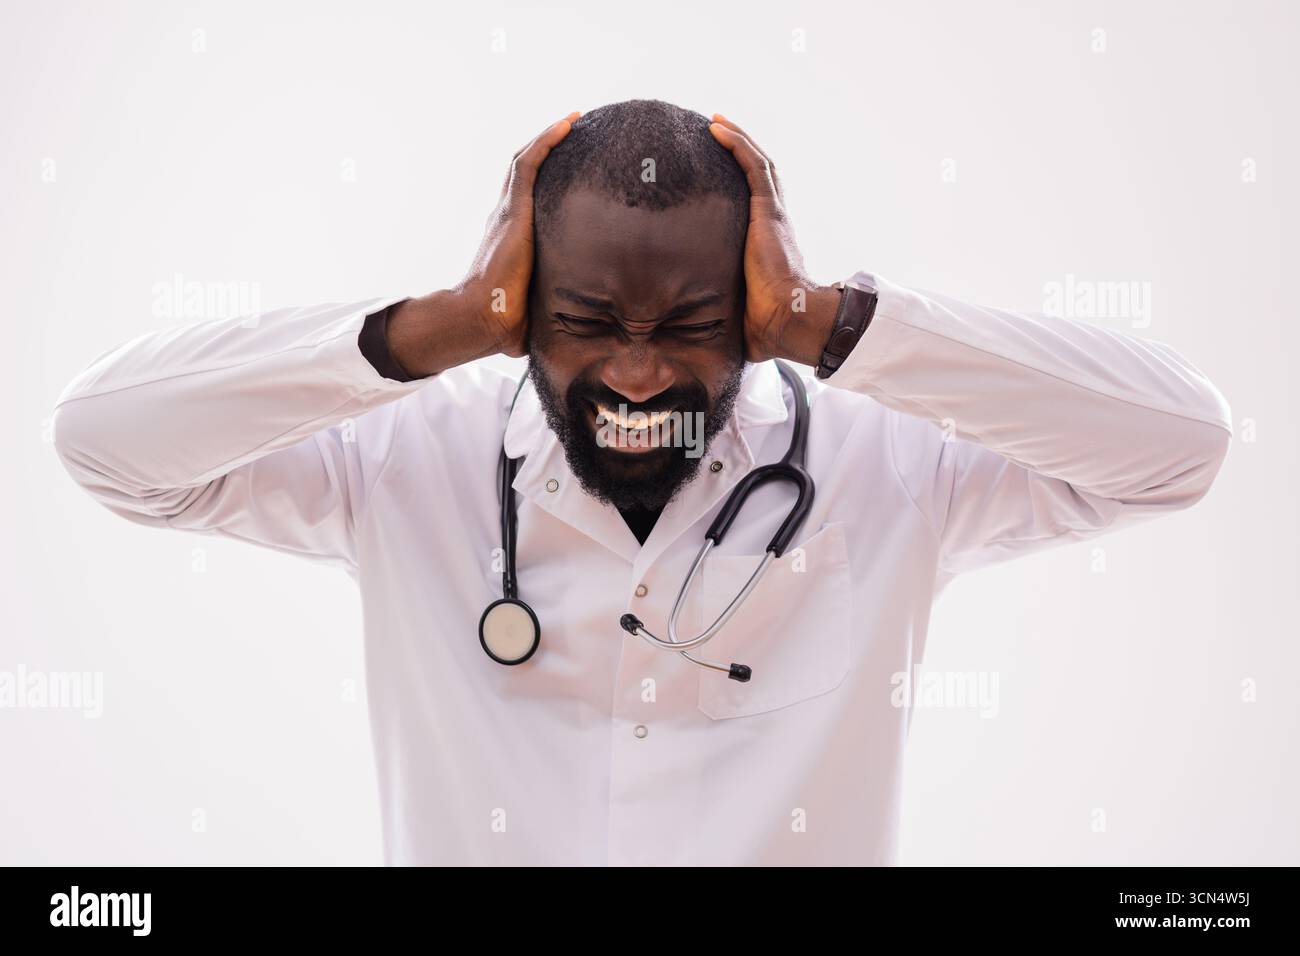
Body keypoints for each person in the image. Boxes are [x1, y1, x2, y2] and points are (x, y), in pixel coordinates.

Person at [51, 99, 1232, 865]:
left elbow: (1178, 446)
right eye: (582, 320)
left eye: (694, 322)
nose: (636, 368)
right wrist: (437, 326)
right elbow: (107, 442)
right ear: (517, 316)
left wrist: (838, 325)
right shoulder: (403, 460)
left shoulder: (888, 469)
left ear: (758, 313)